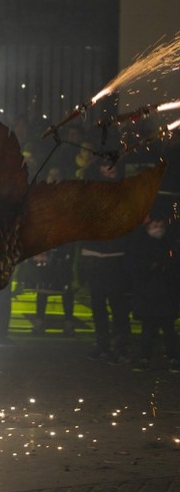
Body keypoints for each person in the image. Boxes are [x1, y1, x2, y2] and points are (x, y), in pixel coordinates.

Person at [78, 159, 132, 363]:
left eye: (111, 170)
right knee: (99, 304)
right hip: (95, 255)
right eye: (104, 170)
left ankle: (120, 346)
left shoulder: (120, 193)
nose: (108, 173)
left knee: (117, 304)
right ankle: (103, 344)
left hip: (114, 255)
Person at [127, 210, 180, 373]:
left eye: (161, 225)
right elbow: (134, 267)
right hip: (149, 293)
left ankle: (172, 358)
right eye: (155, 225)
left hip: (164, 293)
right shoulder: (141, 244)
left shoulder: (168, 244)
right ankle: (145, 357)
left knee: (168, 329)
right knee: (149, 329)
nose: (159, 228)